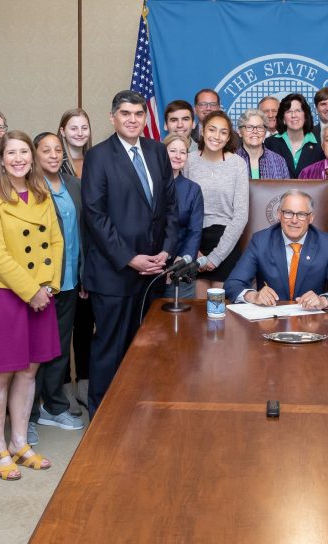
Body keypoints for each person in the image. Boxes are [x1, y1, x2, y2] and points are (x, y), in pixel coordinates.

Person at [81, 90, 177, 415]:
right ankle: (103, 416)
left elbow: (170, 207)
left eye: (138, 114)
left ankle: (140, 409)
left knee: (149, 347)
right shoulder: (98, 157)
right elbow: (95, 215)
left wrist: (166, 251)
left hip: (154, 272)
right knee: (110, 347)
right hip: (115, 272)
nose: (133, 119)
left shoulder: (157, 151)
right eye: (126, 114)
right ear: (113, 117)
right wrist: (129, 257)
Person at [0, 130, 63, 480]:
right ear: (1, 158)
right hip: (4, 294)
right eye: (11, 153)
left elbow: (56, 240)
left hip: (42, 293)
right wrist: (32, 290)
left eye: (23, 152)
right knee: (0, 374)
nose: (18, 159)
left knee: (29, 371)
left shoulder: (41, 193)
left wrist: (50, 283)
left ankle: (19, 442)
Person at [31, 131, 86, 433]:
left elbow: (82, 233)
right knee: (34, 352)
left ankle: (54, 406)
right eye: (46, 150)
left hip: (69, 280)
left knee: (59, 349)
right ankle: (27, 414)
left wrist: (83, 275)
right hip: (41, 284)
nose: (53, 155)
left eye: (57, 150)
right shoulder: (28, 188)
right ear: (34, 155)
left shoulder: (73, 185)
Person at [224, 190, 328, 308]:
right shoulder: (260, 241)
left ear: (311, 218)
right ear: (279, 214)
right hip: (270, 321)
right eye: (288, 213)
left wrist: (323, 300)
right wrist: (254, 296)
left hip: (311, 322)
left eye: (301, 214)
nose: (294, 220)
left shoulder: (327, 244)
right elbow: (232, 284)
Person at [184, 110, 249, 296]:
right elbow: (182, 211)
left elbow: (241, 215)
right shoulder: (188, 161)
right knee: (197, 314)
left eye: (223, 132)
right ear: (203, 131)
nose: (217, 136)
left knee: (220, 313)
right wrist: (193, 251)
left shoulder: (237, 164)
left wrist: (216, 256)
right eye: (212, 130)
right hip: (195, 241)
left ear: (229, 137)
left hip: (225, 242)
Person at [57, 107, 94, 413]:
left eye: (84, 127)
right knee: (62, 329)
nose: (80, 133)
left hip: (94, 252)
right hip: (66, 254)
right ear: (62, 131)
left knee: (85, 323)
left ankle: (83, 382)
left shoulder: (96, 161)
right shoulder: (56, 167)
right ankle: (63, 389)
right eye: (74, 127)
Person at [162, 134, 204, 299]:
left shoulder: (192, 190)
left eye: (183, 152)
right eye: (172, 151)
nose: (178, 156)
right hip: (148, 266)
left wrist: (178, 265)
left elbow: (194, 231)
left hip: (179, 265)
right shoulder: (149, 183)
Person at [265, 93, 325, 178]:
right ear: (283, 118)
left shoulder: (320, 144)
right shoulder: (270, 143)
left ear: (305, 115)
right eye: (289, 111)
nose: (294, 115)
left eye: (298, 111)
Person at [235, 108, 290, 180]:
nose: (255, 131)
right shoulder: (230, 161)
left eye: (260, 127)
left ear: (265, 132)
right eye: (249, 127)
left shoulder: (279, 161)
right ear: (239, 132)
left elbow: (286, 190)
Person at [58, 108, 93, 178]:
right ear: (63, 132)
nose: (80, 133)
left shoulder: (97, 159)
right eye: (74, 129)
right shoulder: (56, 162)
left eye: (84, 128)